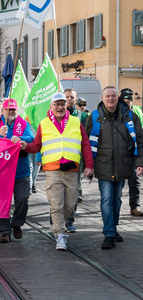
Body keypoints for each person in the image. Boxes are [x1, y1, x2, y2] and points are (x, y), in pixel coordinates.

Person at [22, 92, 94, 251]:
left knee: (70, 203)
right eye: (57, 104)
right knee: (56, 204)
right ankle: (60, 235)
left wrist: (89, 165)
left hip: (72, 169)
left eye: (62, 104)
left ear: (66, 105)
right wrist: (25, 146)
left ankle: (58, 224)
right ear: (51, 107)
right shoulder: (44, 123)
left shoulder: (75, 122)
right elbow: (36, 145)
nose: (60, 107)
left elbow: (86, 145)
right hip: (52, 170)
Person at [85, 86, 143, 249]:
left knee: (117, 199)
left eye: (113, 96)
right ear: (102, 98)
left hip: (123, 164)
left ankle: (113, 227)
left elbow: (139, 139)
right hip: (103, 165)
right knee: (106, 198)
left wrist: (139, 162)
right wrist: (88, 165)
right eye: (107, 96)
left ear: (117, 97)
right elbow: (86, 143)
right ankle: (109, 233)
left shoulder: (130, 116)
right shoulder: (95, 116)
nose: (110, 99)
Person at [0, 99, 34, 243]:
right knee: (2, 201)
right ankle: (4, 230)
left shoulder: (23, 123)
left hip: (20, 170)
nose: (11, 112)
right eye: (8, 109)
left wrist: (20, 138)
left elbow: (31, 138)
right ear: (2, 111)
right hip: (1, 171)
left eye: (14, 110)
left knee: (22, 198)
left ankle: (16, 223)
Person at [64, 88, 88, 231]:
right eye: (66, 97)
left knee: (73, 190)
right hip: (57, 158)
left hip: (75, 159)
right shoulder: (57, 114)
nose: (69, 99)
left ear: (76, 99)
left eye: (71, 97)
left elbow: (85, 138)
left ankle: (70, 220)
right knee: (59, 191)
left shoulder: (82, 116)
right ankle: (57, 219)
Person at [119, 88, 143, 217]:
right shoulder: (116, 112)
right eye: (124, 101)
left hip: (134, 151)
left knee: (135, 180)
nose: (126, 104)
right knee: (119, 181)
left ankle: (135, 206)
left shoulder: (138, 112)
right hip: (121, 152)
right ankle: (114, 206)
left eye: (128, 102)